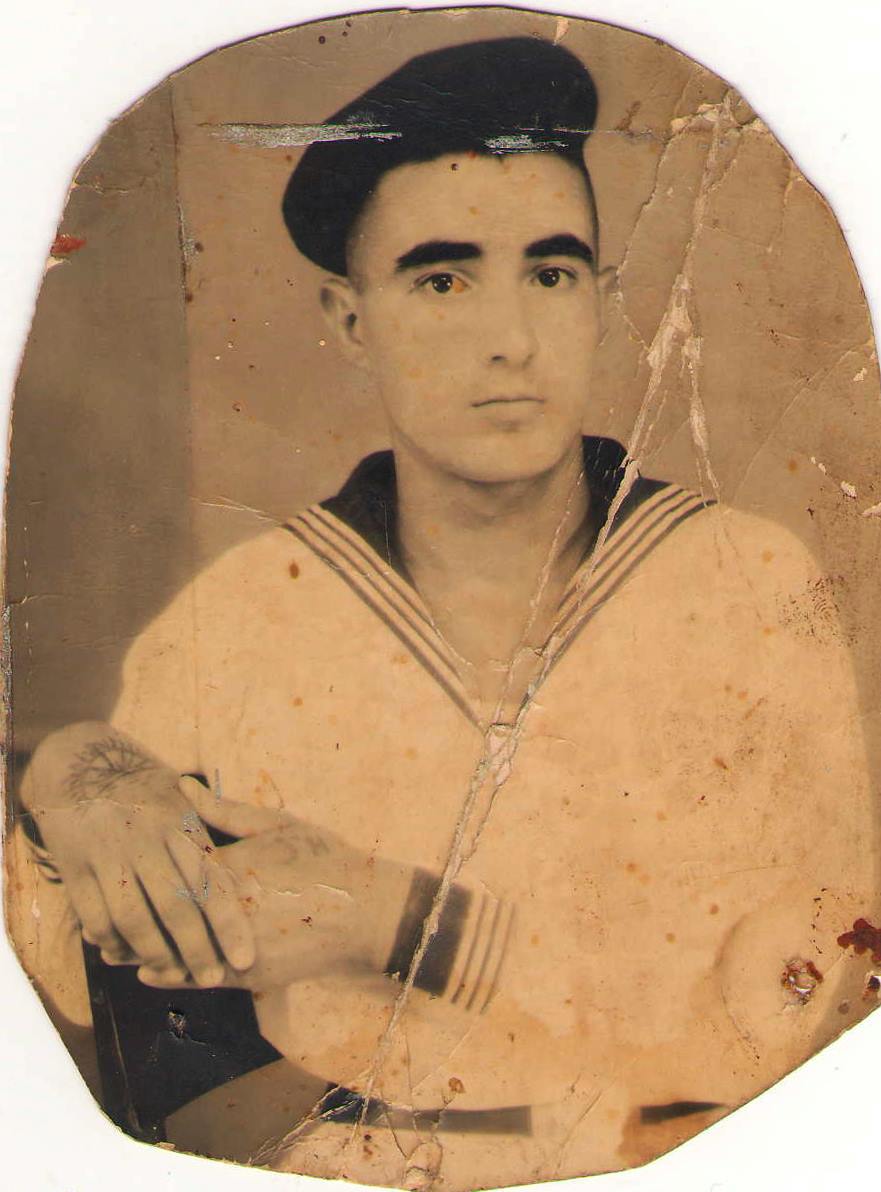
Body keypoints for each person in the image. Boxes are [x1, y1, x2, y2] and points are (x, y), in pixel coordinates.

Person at [8, 36, 877, 1190]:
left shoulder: (742, 581)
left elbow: (819, 994)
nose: (508, 339)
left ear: (601, 299)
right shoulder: (238, 616)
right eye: (441, 280)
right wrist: (74, 774)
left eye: (550, 273)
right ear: (348, 317)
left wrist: (397, 919)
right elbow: (93, 1004)